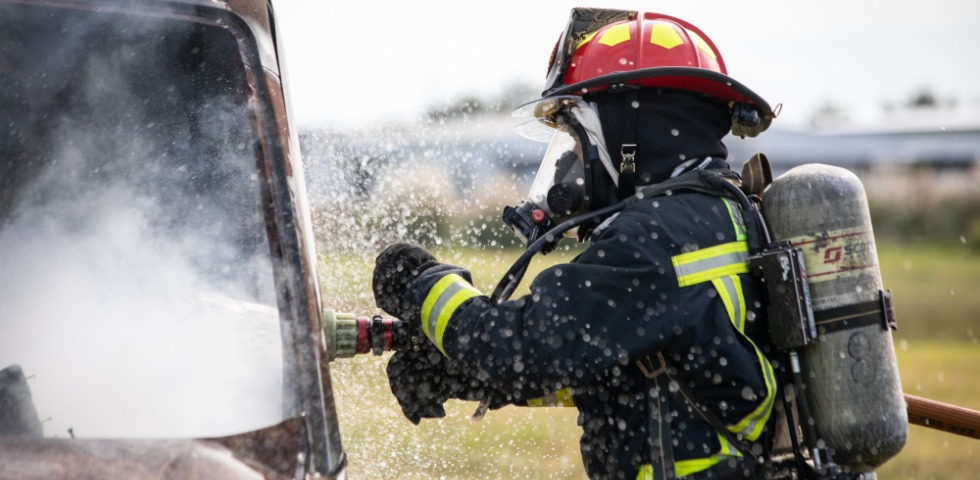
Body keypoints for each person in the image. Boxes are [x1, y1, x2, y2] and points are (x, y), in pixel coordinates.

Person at [372, 9, 779, 480]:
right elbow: (619, 365)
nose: (573, 161)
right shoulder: (715, 212)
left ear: (629, 133)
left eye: (577, 137)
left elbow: (514, 349)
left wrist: (421, 283)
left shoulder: (654, 240)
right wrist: (457, 374)